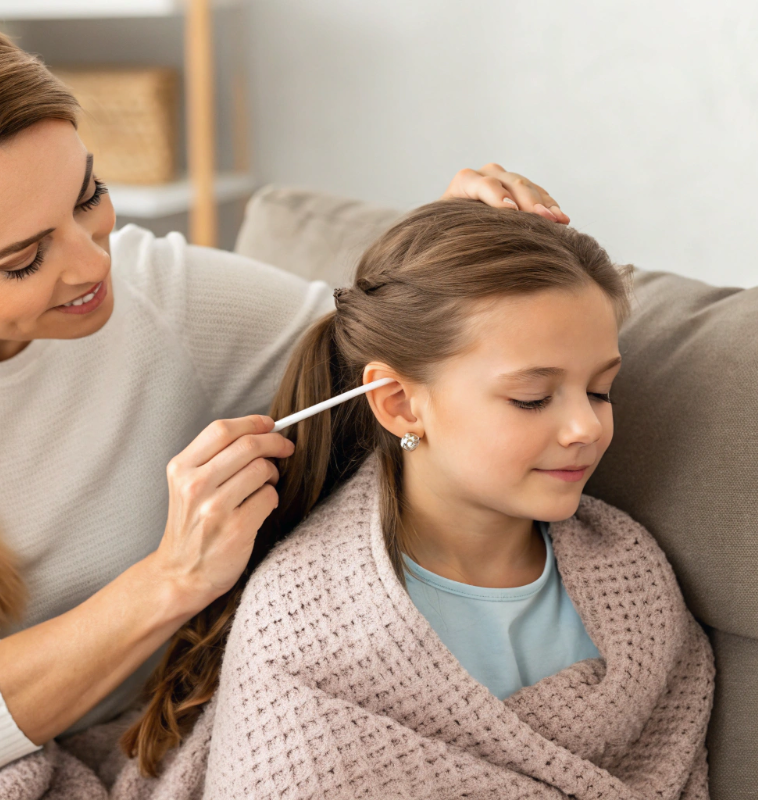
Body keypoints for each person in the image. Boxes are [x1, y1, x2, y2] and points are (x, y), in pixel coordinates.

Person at [0, 9, 570, 792]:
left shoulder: (161, 294)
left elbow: (374, 350)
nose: (90, 263)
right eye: (23, 258)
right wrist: (172, 580)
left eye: (89, 197)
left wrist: (451, 253)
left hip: (144, 748)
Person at [126, 200, 715, 798]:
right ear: (401, 404)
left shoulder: (632, 575)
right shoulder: (305, 619)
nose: (585, 428)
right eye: (534, 398)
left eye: (599, 391)